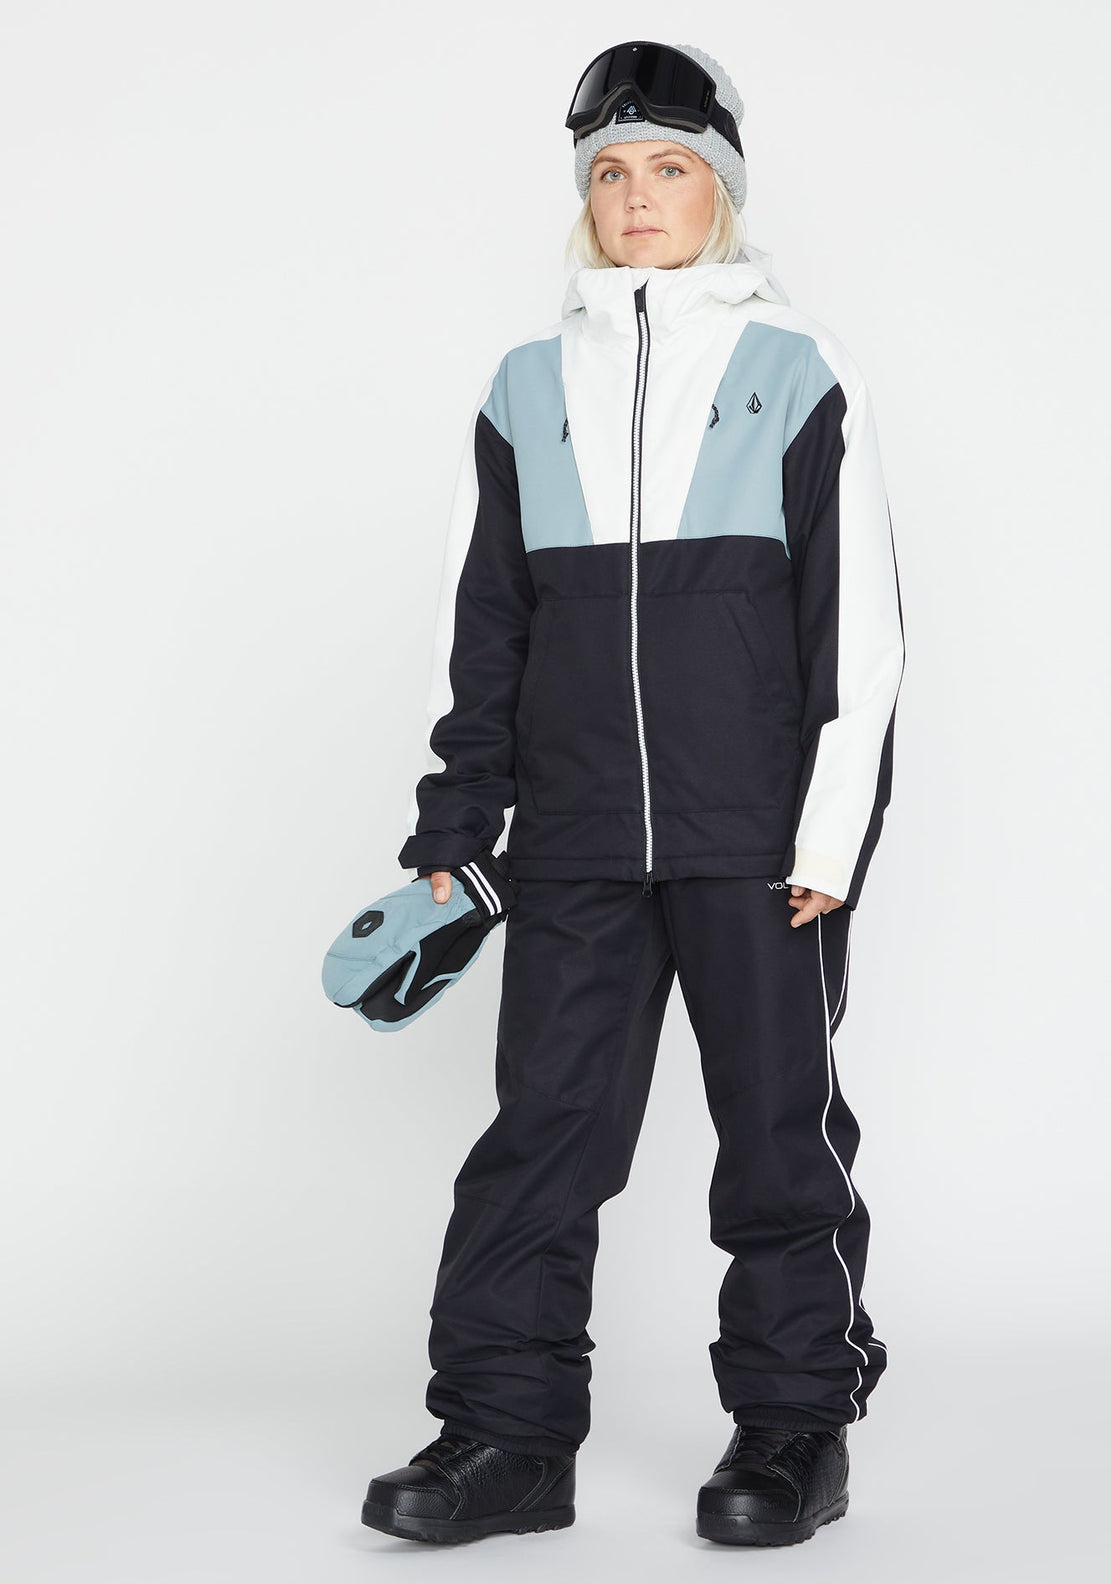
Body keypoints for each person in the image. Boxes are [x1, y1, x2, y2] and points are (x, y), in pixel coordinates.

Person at [360, 40, 906, 1549]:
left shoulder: (794, 372)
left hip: (758, 843)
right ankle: (506, 1437)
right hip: (576, 838)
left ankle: (794, 1430)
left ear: (720, 191)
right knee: (540, 1141)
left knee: (778, 1138)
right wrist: (457, 826)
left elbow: (858, 628)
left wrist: (830, 833)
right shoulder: (526, 388)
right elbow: (487, 624)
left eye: (669, 168)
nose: (638, 195)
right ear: (586, 199)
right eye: (611, 172)